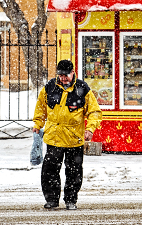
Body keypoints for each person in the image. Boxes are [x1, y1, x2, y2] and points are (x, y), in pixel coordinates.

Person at [32, 59, 102, 210]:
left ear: (73, 73)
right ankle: (51, 199)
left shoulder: (82, 89)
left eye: (66, 75)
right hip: (54, 138)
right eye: (60, 75)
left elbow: (94, 111)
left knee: (74, 172)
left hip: (74, 139)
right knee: (49, 171)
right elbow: (41, 107)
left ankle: (71, 200)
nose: (63, 78)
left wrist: (90, 129)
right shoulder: (49, 87)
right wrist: (38, 124)